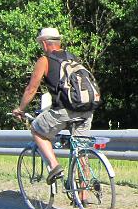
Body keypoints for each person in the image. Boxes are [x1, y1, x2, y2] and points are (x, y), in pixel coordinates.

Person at [12, 27, 94, 183]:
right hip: (86, 110)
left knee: (36, 129)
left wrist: (20, 109)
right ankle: (83, 195)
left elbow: (31, 89)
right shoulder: (73, 58)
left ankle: (54, 166)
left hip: (65, 110)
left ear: (44, 44)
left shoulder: (44, 60)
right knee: (81, 151)